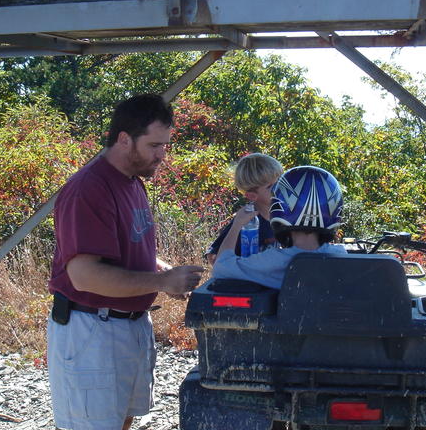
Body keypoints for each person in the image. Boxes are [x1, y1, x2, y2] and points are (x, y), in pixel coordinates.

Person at [47, 93, 204, 430]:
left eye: (165, 144)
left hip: (128, 325)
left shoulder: (132, 183)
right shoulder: (89, 188)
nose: (163, 154)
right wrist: (161, 283)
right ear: (123, 139)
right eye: (154, 145)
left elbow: (127, 252)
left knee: (121, 421)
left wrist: (161, 271)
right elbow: (84, 275)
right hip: (91, 330)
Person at [212, 166, 347, 289]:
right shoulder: (342, 257)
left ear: (280, 206)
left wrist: (236, 225)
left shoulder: (272, 262)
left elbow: (220, 266)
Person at [204, 153, 283, 264]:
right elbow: (214, 258)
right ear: (252, 196)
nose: (280, 188)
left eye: (281, 181)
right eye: (271, 187)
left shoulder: (287, 215)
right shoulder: (247, 221)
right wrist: (236, 226)